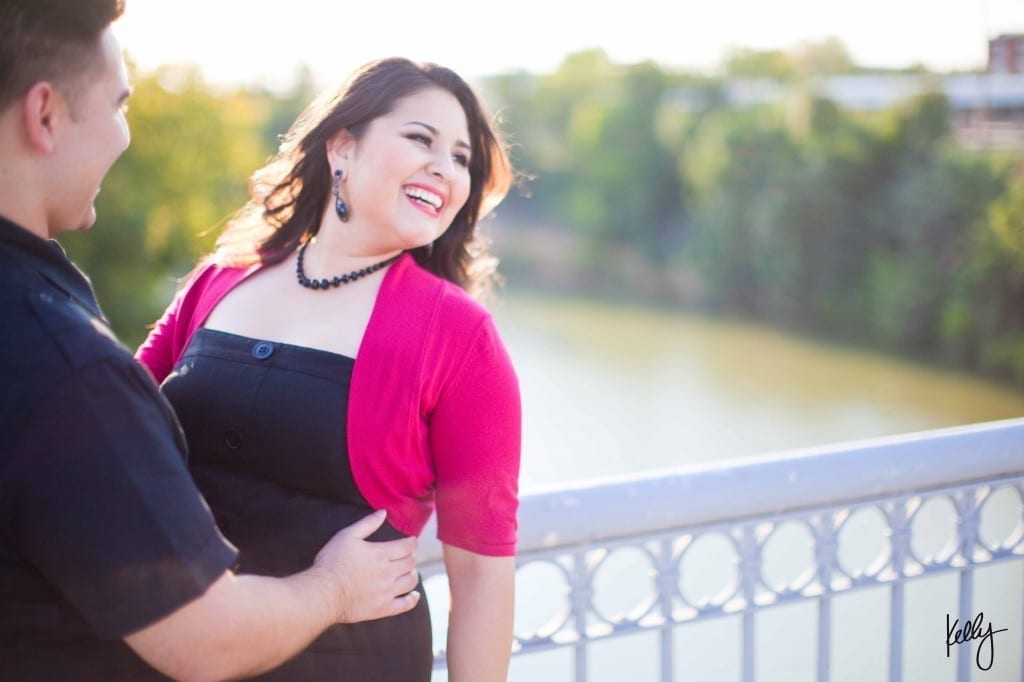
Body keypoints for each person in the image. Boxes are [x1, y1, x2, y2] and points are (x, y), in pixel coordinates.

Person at [0, 1, 422, 679]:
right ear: (44, 115)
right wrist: (335, 588)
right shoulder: (66, 372)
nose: (123, 136)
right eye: (118, 105)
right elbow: (208, 639)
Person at [135, 58, 522, 680]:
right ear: (342, 147)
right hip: (177, 649)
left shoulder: (459, 338)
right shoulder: (220, 279)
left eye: (461, 158)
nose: (444, 169)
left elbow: (481, 573)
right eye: (420, 139)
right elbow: (111, 429)